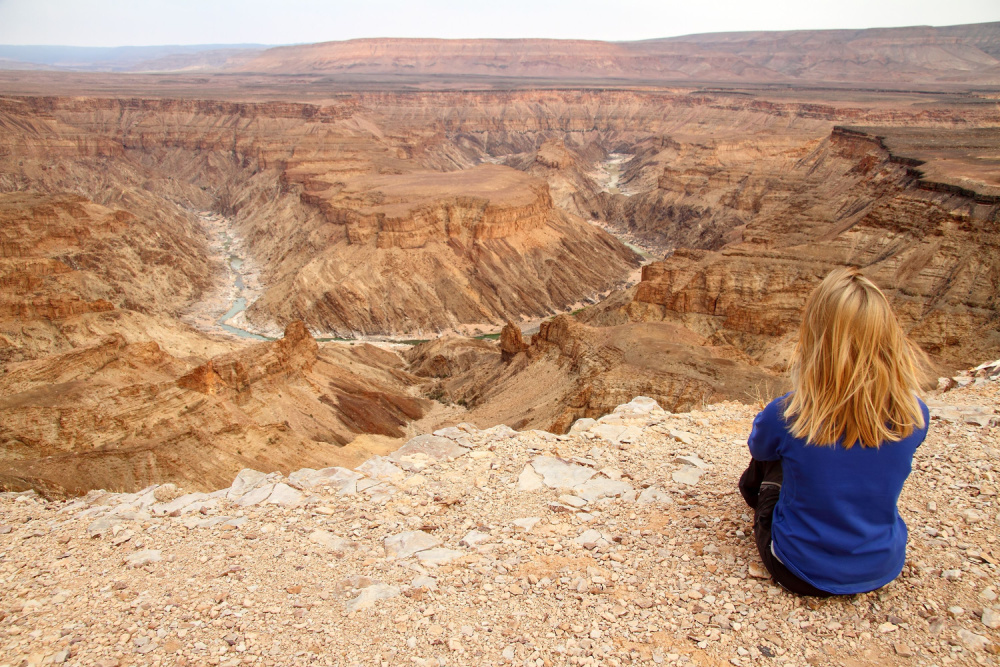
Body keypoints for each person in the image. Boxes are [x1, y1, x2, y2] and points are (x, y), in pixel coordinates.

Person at [739, 267, 930, 596]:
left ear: (816, 338)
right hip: (882, 566)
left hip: (797, 568)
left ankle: (760, 506)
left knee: (773, 457)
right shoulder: (915, 414)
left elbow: (758, 449)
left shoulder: (791, 415)